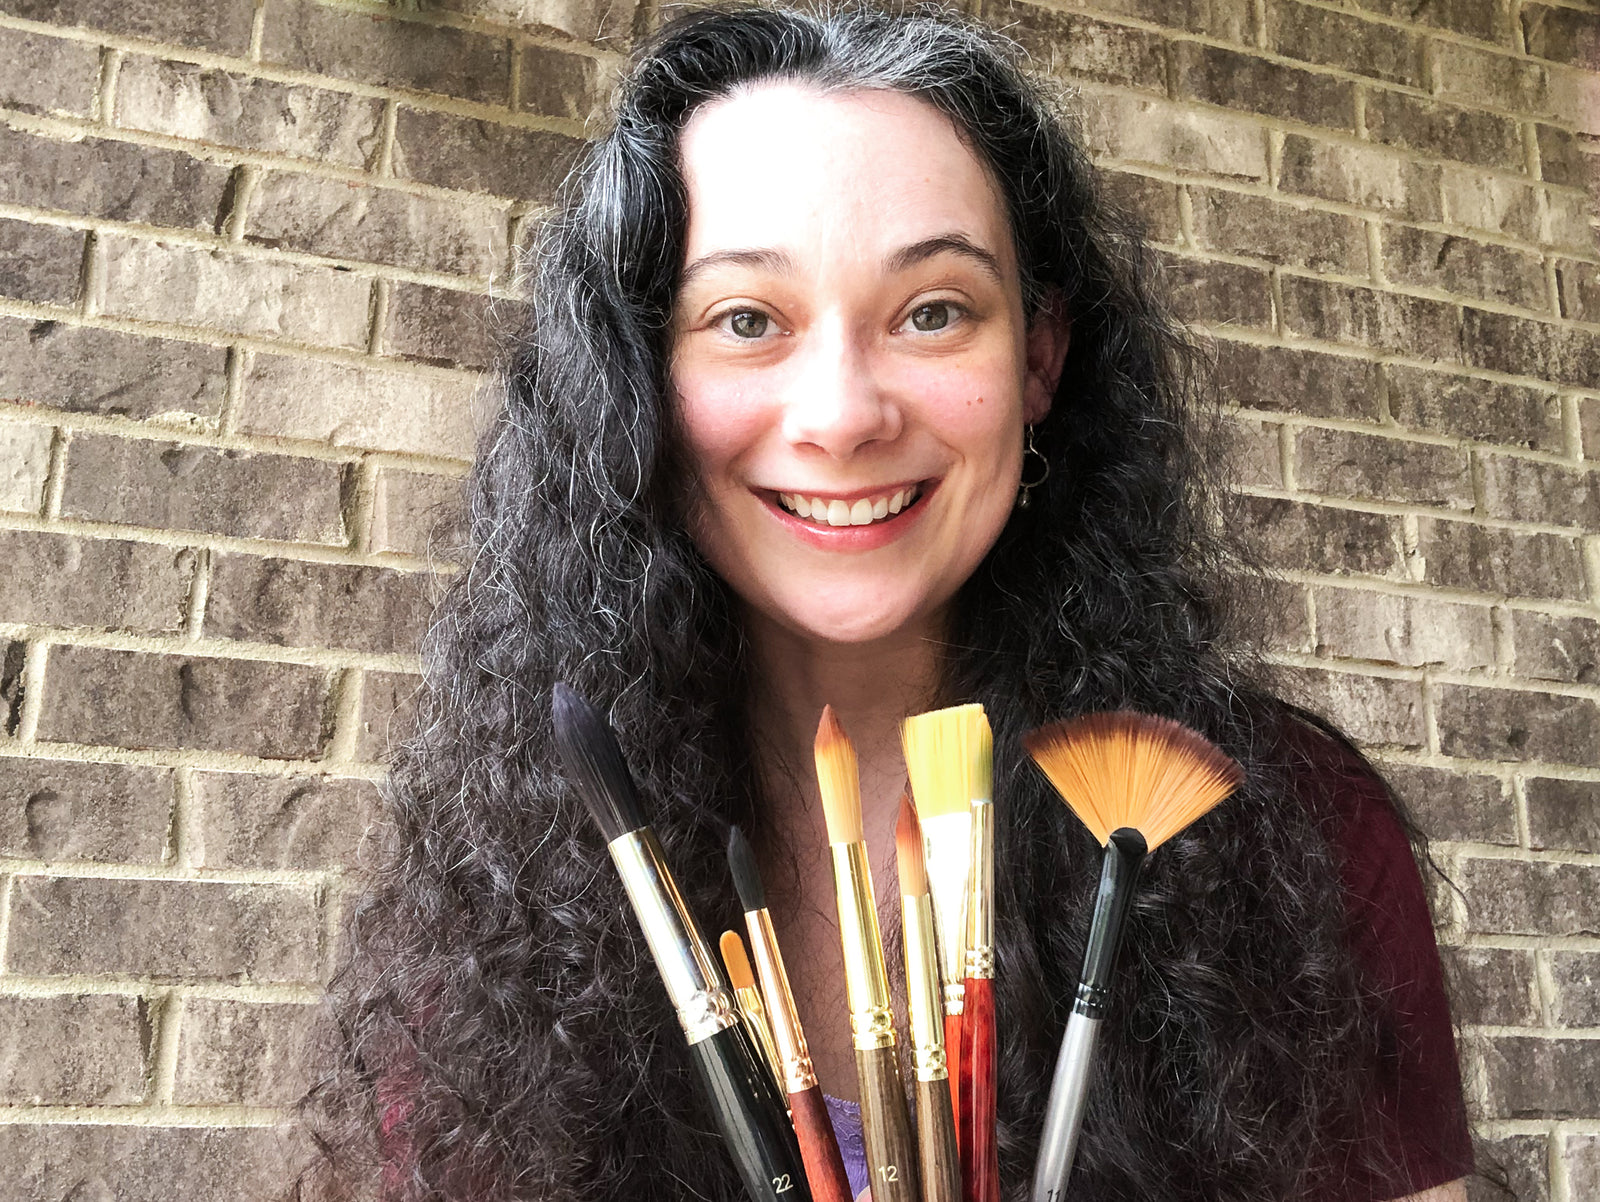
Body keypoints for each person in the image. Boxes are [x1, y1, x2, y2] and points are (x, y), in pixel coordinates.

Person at [300, 6, 1475, 1201]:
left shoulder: (1291, 837)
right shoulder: (517, 907)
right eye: (747, 320)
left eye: (933, 311)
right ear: (638, 383)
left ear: (1038, 361)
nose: (845, 412)